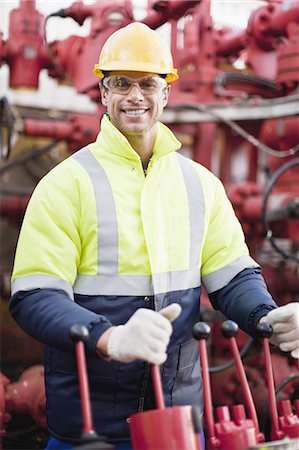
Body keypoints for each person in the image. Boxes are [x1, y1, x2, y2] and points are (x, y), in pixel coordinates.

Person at [9, 22, 299, 450]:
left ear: (166, 93)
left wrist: (265, 316)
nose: (135, 96)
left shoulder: (200, 184)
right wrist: (108, 337)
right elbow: (34, 295)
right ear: (104, 93)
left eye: (148, 84)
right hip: (91, 423)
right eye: (122, 83)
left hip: (179, 419)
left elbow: (232, 275)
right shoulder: (64, 185)